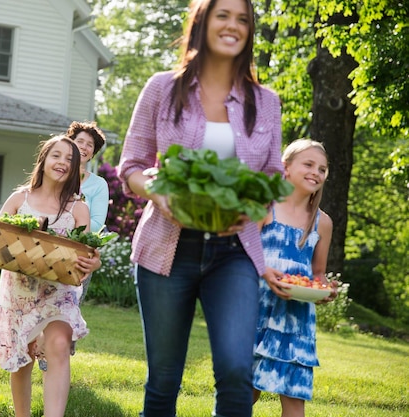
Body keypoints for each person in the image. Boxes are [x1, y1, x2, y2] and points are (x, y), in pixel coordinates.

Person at [117, 0, 285, 416]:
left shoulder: (266, 101)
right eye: (223, 15)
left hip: (235, 254)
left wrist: (253, 204)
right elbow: (132, 165)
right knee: (164, 378)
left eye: (243, 19)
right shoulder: (162, 88)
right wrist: (159, 193)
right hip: (166, 251)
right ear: (202, 22)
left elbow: (274, 173)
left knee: (235, 371)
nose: (233, 25)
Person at [0, 135, 102, 417]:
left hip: (59, 293)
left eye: (70, 159)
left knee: (58, 343)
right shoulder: (20, 199)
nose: (63, 162)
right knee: (24, 357)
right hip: (19, 293)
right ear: (43, 161)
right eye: (56, 155)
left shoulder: (79, 208)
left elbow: (88, 252)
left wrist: (94, 261)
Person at [253, 139, 338, 417]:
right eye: (309, 164)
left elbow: (317, 273)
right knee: (244, 393)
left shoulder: (322, 222)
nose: (317, 172)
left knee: (293, 397)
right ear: (285, 168)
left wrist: (324, 289)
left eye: (322, 169)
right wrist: (266, 272)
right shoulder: (266, 208)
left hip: (296, 317)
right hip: (257, 309)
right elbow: (244, 253)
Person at [65, 120, 109, 303]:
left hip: (80, 255)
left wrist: (67, 232)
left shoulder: (99, 185)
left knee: (68, 313)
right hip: (46, 249)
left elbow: (97, 224)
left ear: (93, 153)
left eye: (89, 145)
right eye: (80, 141)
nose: (84, 147)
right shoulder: (56, 173)